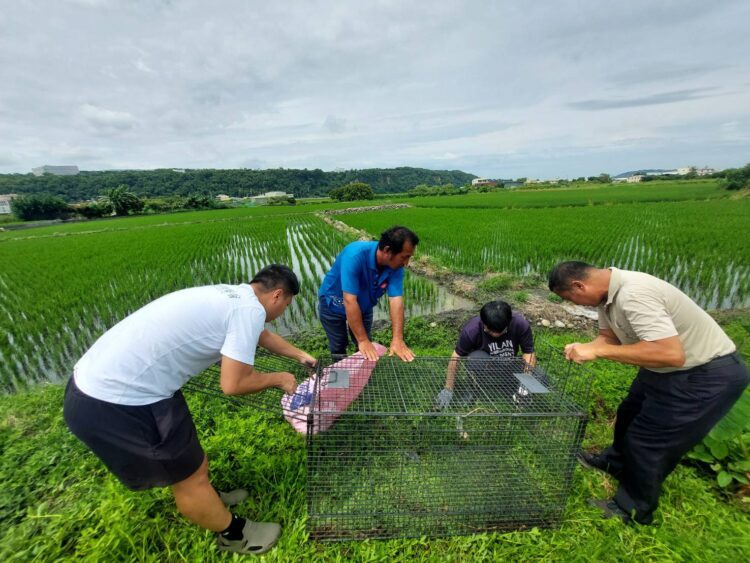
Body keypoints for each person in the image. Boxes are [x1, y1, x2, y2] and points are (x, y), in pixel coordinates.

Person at [63, 264, 316, 555]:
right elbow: (233, 384)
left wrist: (301, 356)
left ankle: (209, 498)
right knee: (187, 477)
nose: (282, 312)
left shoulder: (234, 295)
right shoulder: (248, 311)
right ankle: (233, 534)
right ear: (277, 295)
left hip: (110, 383)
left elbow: (261, 335)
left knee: (192, 461)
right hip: (117, 402)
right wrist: (279, 378)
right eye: (286, 305)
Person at [548, 261, 749, 525]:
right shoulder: (605, 297)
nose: (575, 304)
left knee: (650, 439)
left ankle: (633, 509)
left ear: (579, 285)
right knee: (629, 413)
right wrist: (587, 346)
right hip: (662, 370)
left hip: (704, 373)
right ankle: (614, 462)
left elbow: (670, 353)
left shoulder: (634, 294)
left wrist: (598, 351)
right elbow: (608, 338)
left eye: (570, 298)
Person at [318, 225, 419, 362]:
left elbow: (396, 300)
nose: (406, 263)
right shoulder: (355, 255)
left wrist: (398, 339)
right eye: (404, 257)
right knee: (339, 345)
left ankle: (361, 377)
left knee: (365, 344)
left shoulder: (395, 266)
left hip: (364, 305)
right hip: (334, 303)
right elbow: (349, 301)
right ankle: (341, 379)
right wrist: (363, 340)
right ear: (387, 250)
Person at [436, 300, 536, 408]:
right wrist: (448, 388)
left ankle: (516, 389)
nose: (495, 335)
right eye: (490, 331)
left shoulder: (520, 325)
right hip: (485, 365)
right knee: (475, 359)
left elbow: (529, 352)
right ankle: (473, 389)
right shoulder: (472, 329)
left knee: (540, 377)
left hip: (509, 363)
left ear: (508, 323)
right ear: (483, 323)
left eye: (499, 332)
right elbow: (456, 356)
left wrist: (525, 382)